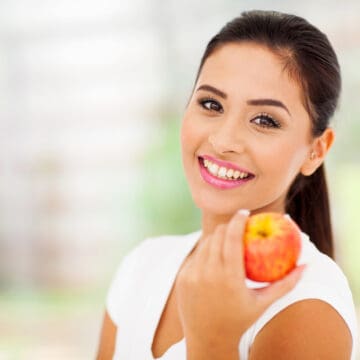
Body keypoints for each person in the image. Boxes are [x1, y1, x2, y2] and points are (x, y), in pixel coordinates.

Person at [96, 10, 358, 360]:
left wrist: (213, 343)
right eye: (211, 104)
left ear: (315, 151)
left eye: (264, 120)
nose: (223, 141)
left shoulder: (308, 304)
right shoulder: (142, 265)